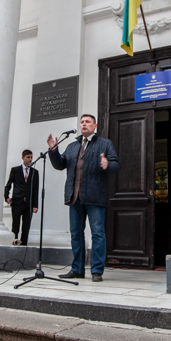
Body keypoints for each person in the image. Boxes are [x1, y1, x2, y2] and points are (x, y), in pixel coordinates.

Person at [47, 114, 120, 282]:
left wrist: (108, 164)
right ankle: (77, 269)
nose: (83, 124)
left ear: (95, 126)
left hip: (95, 196)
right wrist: (53, 150)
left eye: (87, 122)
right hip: (75, 197)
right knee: (76, 234)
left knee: (98, 234)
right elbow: (59, 164)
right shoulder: (72, 146)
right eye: (82, 122)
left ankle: (96, 271)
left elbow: (116, 165)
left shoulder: (105, 144)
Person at [4, 149, 39, 245]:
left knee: (26, 226)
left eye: (31, 157)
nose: (30, 159)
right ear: (23, 157)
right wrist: (6, 196)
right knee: (15, 224)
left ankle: (24, 244)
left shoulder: (34, 172)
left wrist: (35, 205)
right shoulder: (15, 170)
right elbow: (9, 184)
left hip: (28, 203)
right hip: (17, 201)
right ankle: (15, 242)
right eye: (28, 157)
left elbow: (35, 189)